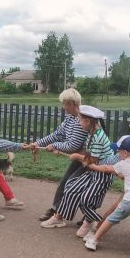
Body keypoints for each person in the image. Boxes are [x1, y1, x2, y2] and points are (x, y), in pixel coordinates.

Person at [40, 105, 114, 238]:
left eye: (80, 120)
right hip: (93, 170)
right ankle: (58, 218)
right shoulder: (92, 133)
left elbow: (93, 159)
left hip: (102, 174)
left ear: (87, 122)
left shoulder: (98, 136)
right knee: (70, 187)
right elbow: (88, 153)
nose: (78, 123)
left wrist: (77, 156)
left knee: (86, 198)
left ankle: (92, 221)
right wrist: (62, 151)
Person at [82, 135, 130, 252]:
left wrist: (93, 166)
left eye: (119, 152)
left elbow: (107, 168)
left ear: (125, 152)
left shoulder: (123, 164)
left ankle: (94, 240)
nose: (118, 154)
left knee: (111, 219)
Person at [34, 88, 89, 221]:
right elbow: (58, 134)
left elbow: (72, 146)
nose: (62, 107)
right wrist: (38, 143)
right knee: (67, 183)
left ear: (71, 104)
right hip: (80, 157)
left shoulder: (82, 120)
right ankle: (56, 210)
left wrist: (54, 146)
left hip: (91, 159)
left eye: (64, 103)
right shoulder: (70, 117)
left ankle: (87, 217)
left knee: (78, 186)